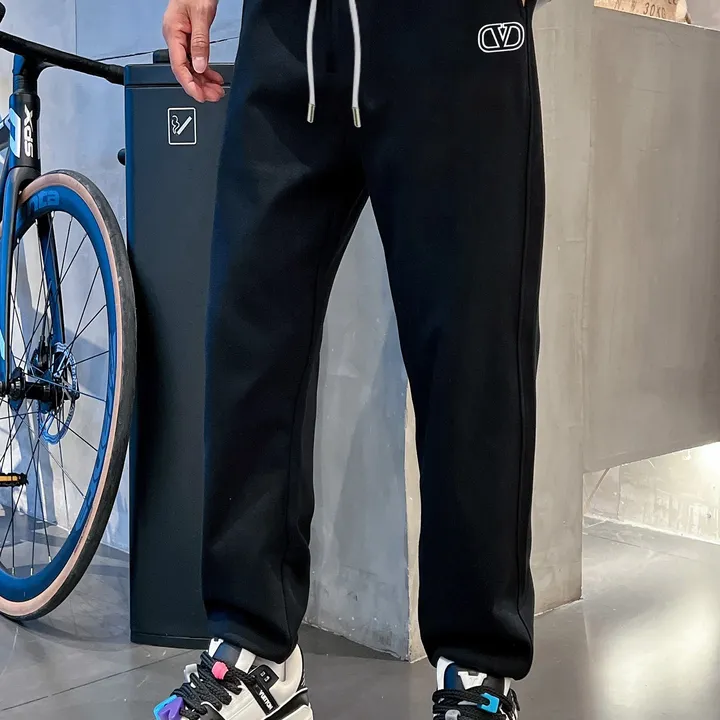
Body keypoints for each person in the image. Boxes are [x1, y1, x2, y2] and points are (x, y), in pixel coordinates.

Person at [152, 0, 546, 717]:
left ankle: (477, 674)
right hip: (289, 29)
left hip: (451, 32)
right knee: (250, 342)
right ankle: (254, 655)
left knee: (471, 353)